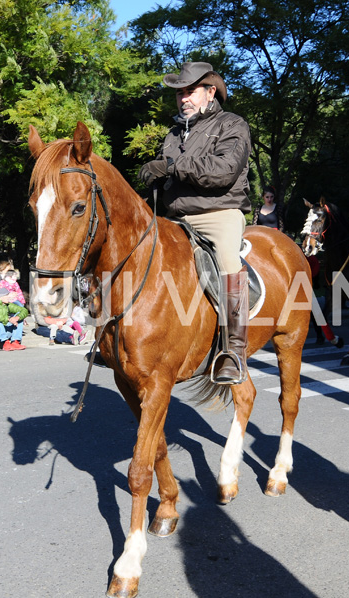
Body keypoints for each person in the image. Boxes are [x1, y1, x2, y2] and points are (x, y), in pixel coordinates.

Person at [138, 61, 252, 384]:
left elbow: (223, 171)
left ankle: (234, 351)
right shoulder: (174, 133)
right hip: (176, 216)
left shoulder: (233, 125)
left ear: (210, 91)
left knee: (229, 260)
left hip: (219, 213)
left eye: (190, 91)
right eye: (179, 93)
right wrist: (154, 182)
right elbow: (171, 175)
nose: (183, 98)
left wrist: (172, 166)